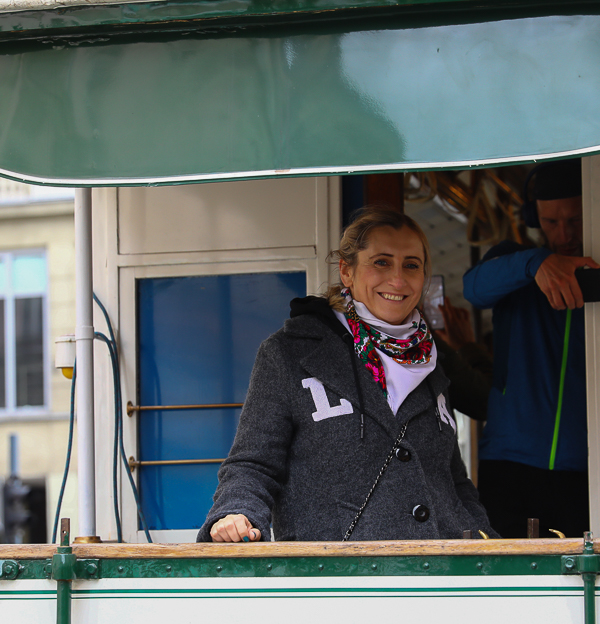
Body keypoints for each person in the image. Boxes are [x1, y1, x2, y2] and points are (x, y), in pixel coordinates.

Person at [199, 207, 495, 542]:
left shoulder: (432, 360)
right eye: (381, 262)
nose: (397, 279)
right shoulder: (290, 354)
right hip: (337, 580)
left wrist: (483, 537)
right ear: (347, 271)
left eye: (411, 265)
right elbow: (253, 464)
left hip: (440, 577)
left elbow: (452, 480)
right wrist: (235, 512)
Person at [462, 160, 600, 538]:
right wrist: (536, 263)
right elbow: (472, 289)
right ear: (534, 218)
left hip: (589, 466)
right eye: (551, 222)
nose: (563, 233)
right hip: (509, 462)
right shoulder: (516, 266)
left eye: (574, 220)